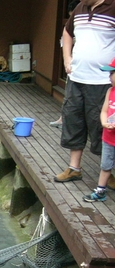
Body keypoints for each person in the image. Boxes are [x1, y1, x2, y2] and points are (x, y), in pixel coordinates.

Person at [54, 0, 115, 187]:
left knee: (101, 125)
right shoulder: (80, 8)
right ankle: (74, 168)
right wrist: (67, 59)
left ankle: (107, 172)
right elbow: (67, 32)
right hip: (77, 77)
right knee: (73, 120)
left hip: (102, 80)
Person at [83, 59, 115, 202]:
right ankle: (100, 190)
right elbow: (104, 111)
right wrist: (104, 122)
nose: (109, 76)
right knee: (105, 165)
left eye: (112, 73)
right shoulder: (110, 91)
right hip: (108, 137)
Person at [49, 0, 81, 129]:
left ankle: (67, 121)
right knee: (68, 95)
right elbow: (64, 43)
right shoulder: (70, 26)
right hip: (72, 66)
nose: (71, 18)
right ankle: (62, 119)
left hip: (85, 68)